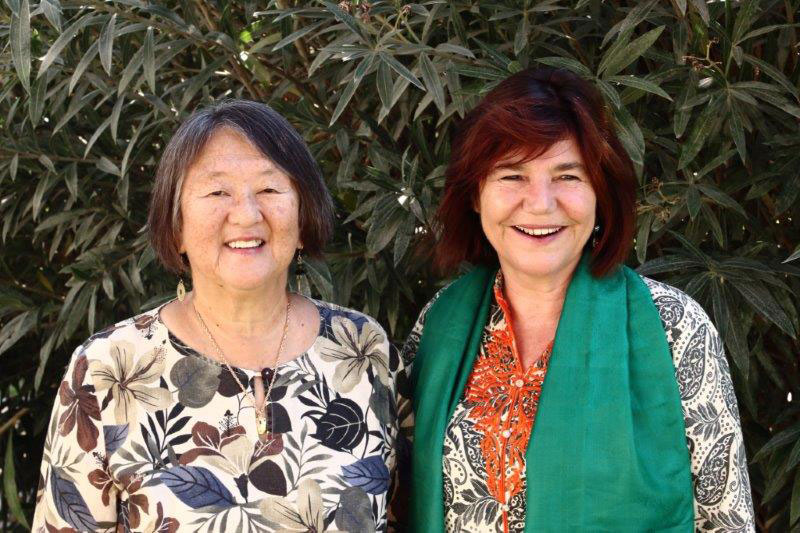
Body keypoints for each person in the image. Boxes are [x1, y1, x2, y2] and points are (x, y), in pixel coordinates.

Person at [402, 68, 755, 532]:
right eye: (512, 175)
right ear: (475, 195)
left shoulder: (672, 326)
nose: (540, 203)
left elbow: (726, 519)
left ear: (599, 194)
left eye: (567, 175)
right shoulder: (439, 324)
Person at [33, 100, 404, 532]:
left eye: (269, 190)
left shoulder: (362, 349)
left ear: (304, 217)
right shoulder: (108, 370)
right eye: (217, 192)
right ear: (176, 226)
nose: (246, 214)